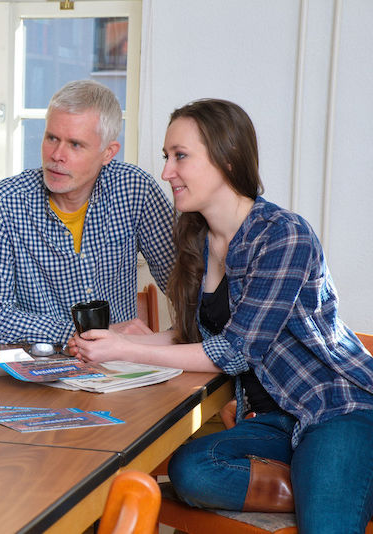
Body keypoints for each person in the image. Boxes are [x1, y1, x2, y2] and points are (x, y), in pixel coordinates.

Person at [69, 98, 373, 533]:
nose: (166, 172)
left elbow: (234, 351)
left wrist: (130, 349)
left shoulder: (283, 235)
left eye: (181, 157)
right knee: (193, 468)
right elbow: (188, 335)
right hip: (274, 420)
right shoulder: (197, 239)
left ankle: (337, 483)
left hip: (336, 408)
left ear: (227, 160)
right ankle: (327, 484)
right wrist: (113, 342)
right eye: (166, 157)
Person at [0, 80, 176, 345]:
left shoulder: (135, 189)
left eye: (75, 144)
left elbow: (184, 284)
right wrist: (77, 334)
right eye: (52, 138)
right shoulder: (3, 203)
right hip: (39, 370)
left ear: (108, 153)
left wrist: (173, 338)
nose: (57, 155)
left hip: (119, 366)